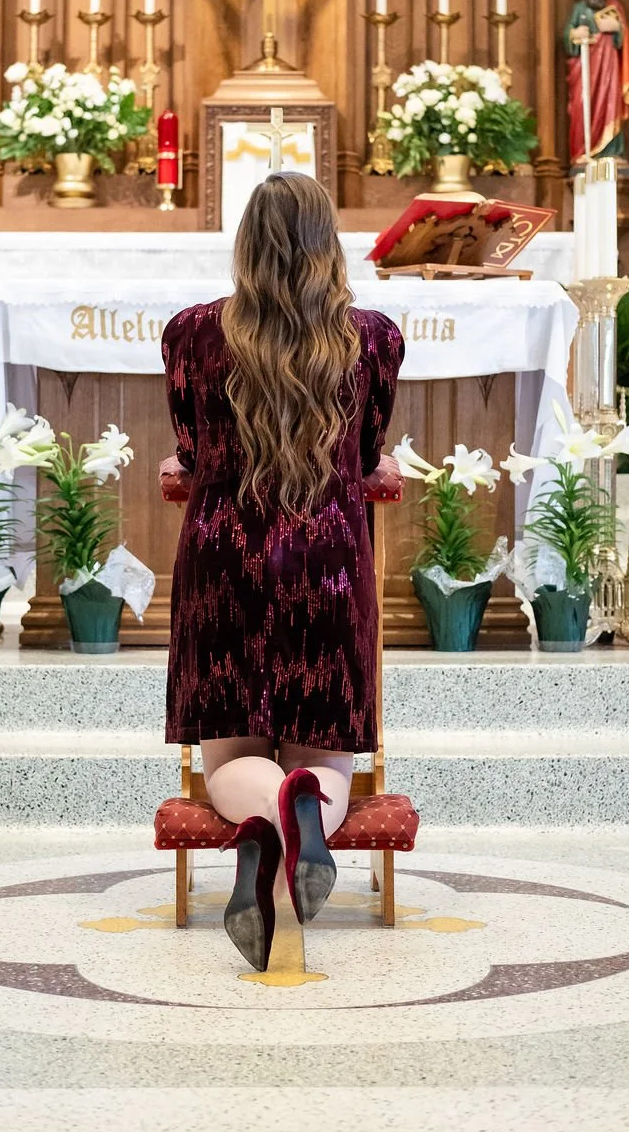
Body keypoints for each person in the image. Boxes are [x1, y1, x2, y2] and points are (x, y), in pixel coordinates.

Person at [161, 172, 404, 971]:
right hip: (329, 564)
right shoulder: (374, 337)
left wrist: (183, 462)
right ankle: (302, 804)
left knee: (226, 761)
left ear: (244, 245)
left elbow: (192, 455)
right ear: (326, 244)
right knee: (328, 759)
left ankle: (265, 813)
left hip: (224, 564)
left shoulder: (190, 334)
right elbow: (366, 459)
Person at [562, 0, 629, 164]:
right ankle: (584, 151)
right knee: (582, 104)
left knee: (611, 104)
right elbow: (566, 36)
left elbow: (624, 39)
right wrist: (575, 34)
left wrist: (617, 29)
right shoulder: (579, 9)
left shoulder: (615, 7)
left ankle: (611, 151)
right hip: (585, 67)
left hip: (609, 69)